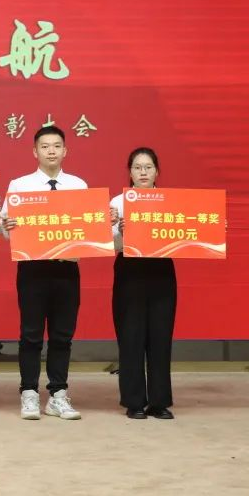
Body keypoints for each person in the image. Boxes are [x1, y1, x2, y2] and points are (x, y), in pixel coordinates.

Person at [0, 125, 85, 421]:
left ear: (65, 151)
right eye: (45, 146)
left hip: (66, 268)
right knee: (31, 334)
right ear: (35, 151)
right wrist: (7, 227)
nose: (51, 151)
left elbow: (87, 227)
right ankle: (29, 393)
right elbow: (6, 229)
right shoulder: (20, 185)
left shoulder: (78, 185)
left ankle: (58, 394)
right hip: (33, 268)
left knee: (63, 335)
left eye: (56, 146)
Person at [109, 147, 177, 420]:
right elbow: (108, 243)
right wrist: (120, 232)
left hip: (161, 270)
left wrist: (213, 229)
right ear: (130, 172)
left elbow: (188, 233)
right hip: (130, 270)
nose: (143, 172)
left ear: (157, 171)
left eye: (148, 167)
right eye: (137, 167)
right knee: (131, 336)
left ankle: (159, 402)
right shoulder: (118, 203)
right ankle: (134, 401)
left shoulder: (171, 202)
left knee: (161, 336)